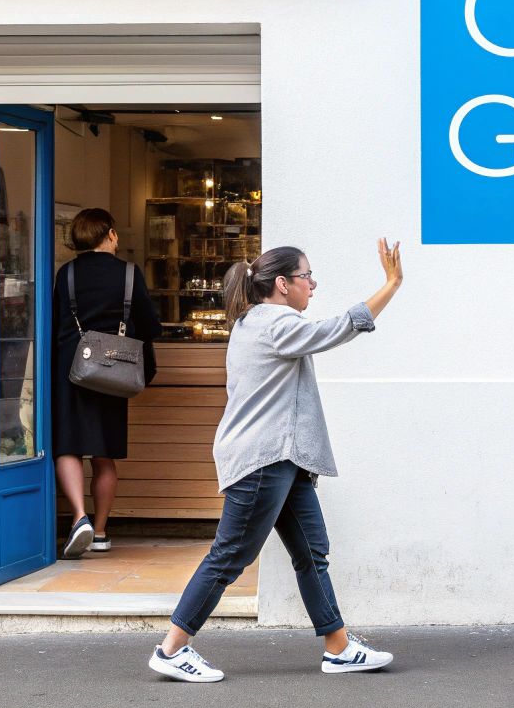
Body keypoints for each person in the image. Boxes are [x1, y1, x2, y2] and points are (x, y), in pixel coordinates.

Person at [147, 238, 404, 683]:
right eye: (307, 277)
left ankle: (338, 647)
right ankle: (172, 648)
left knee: (311, 550)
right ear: (283, 284)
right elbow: (338, 329)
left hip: (286, 459)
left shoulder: (256, 321)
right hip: (264, 460)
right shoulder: (274, 323)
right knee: (230, 556)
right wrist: (392, 283)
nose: (313, 284)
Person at [52, 208, 162, 559]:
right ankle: (99, 531)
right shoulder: (129, 274)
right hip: (113, 369)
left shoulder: (66, 273)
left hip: (71, 367)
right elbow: (150, 326)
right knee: (103, 454)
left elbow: (55, 323)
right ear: (111, 234)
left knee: (67, 447)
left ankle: (78, 517)